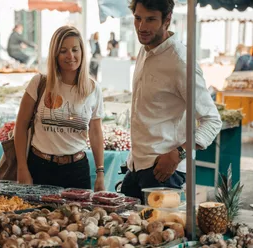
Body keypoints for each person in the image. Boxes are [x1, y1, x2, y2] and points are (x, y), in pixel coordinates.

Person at [120, 0, 222, 202]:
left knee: (162, 233)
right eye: (138, 18)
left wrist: (179, 154)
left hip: (164, 171)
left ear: (167, 20)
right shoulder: (145, 49)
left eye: (150, 20)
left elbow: (212, 120)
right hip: (136, 166)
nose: (142, 27)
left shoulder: (180, 62)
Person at [14, 26, 105, 192]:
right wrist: (22, 167)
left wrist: (100, 173)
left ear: (82, 52)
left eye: (75, 49)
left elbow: (96, 131)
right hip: (39, 167)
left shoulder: (93, 88)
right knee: (35, 218)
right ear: (55, 54)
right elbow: (20, 127)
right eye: (63, 51)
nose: (70, 56)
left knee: (77, 218)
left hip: (77, 170)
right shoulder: (39, 83)